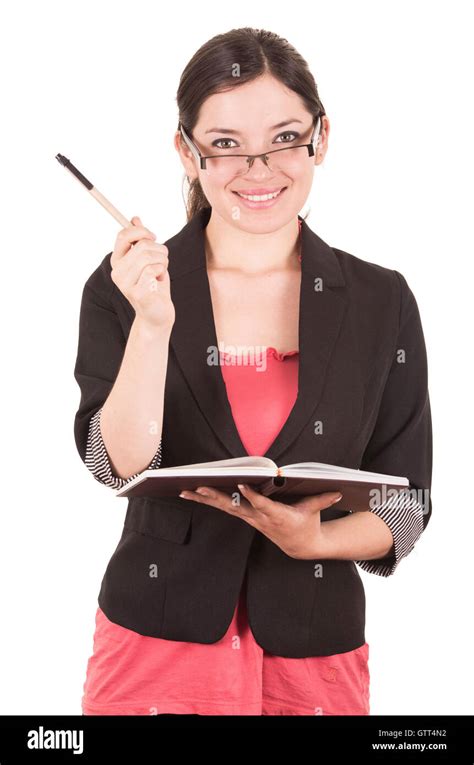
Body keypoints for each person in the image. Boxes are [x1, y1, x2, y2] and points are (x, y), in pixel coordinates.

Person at [74, 27, 432, 716]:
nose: (258, 168)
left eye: (285, 138)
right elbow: (112, 465)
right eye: (227, 144)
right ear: (188, 151)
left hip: (314, 654)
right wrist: (152, 323)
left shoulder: (382, 298)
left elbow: (407, 505)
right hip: (155, 648)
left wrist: (319, 539)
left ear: (321, 139)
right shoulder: (127, 284)